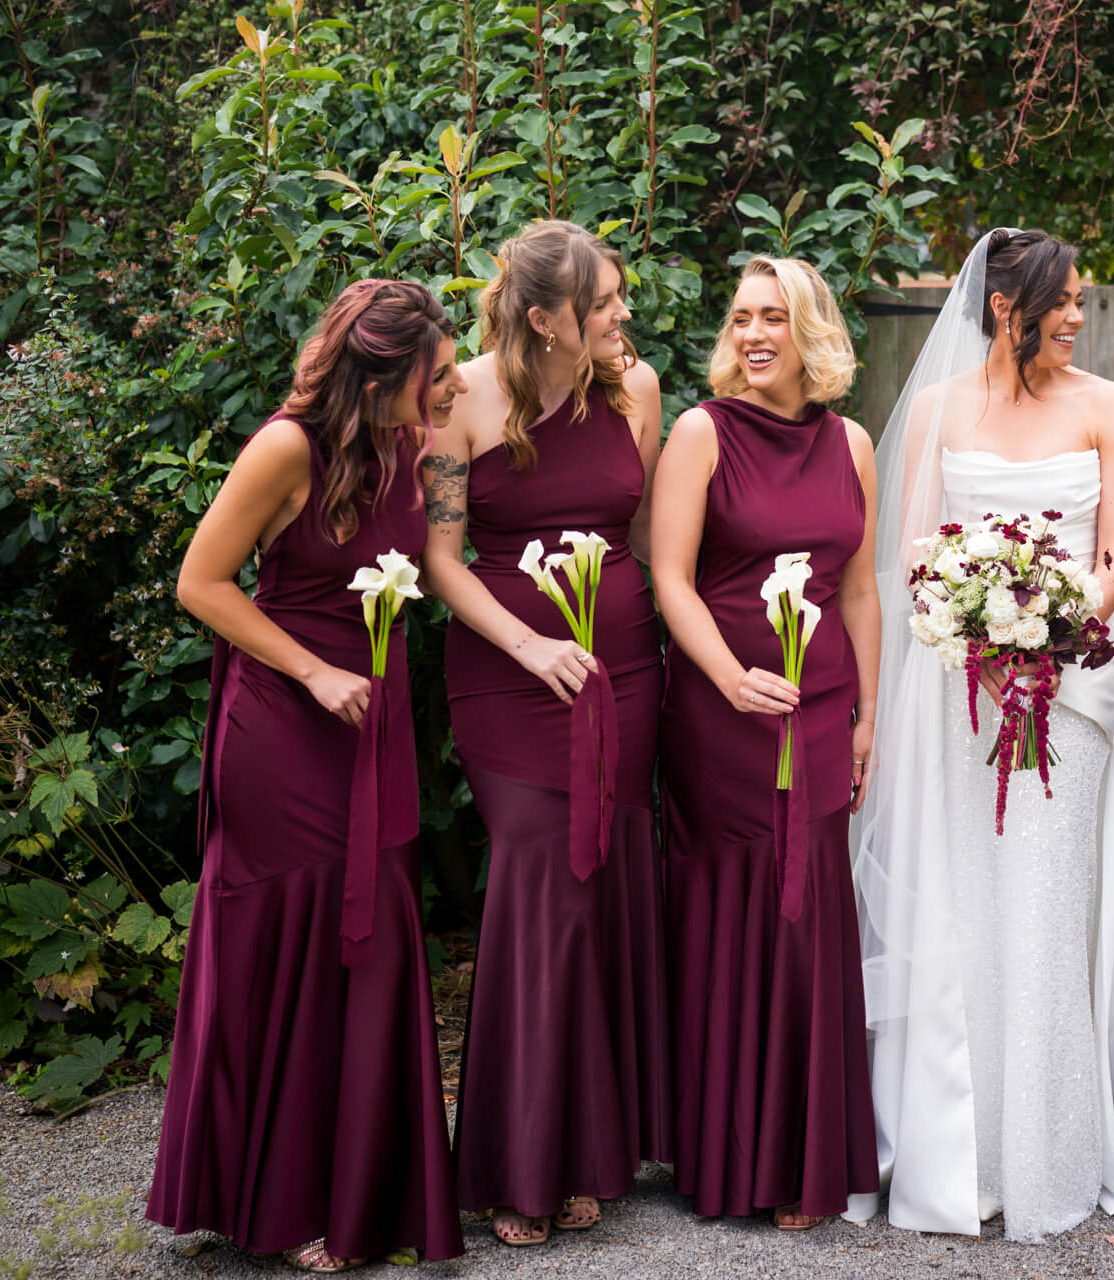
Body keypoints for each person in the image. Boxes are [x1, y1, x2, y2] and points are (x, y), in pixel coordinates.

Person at [848, 228, 1114, 1243]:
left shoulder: (1109, 406)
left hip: (1074, 686)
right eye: (1064, 301)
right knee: (965, 904)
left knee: (1045, 906)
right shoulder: (940, 407)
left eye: (1081, 300)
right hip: (962, 689)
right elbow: (915, 553)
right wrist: (979, 638)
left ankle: (1048, 1153)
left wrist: (1049, 633)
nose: (1078, 316)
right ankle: (965, 1150)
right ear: (1006, 308)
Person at [147, 279, 466, 1273]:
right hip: (286, 721)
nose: (453, 387)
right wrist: (315, 670)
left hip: (374, 720)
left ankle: (362, 1191)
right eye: (439, 373)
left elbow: (452, 544)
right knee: (295, 934)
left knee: (375, 933)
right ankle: (276, 1200)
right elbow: (200, 581)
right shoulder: (287, 448)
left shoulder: (420, 447)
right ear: (382, 378)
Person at [420, 221, 669, 1246]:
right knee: (540, 878)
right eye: (602, 302)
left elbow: (645, 539)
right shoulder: (462, 401)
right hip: (507, 681)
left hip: (624, 674)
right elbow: (440, 559)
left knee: (603, 882)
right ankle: (518, 1161)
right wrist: (528, 645)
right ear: (544, 317)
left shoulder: (637, 390)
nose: (621, 315)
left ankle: (590, 1151)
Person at [649, 256, 880, 1230]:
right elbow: (670, 578)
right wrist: (728, 676)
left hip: (822, 708)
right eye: (741, 317)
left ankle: (801, 1158)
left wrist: (868, 715)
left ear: (810, 332)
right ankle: (724, 1155)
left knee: (808, 911)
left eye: (773, 318)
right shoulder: (700, 433)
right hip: (722, 712)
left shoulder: (852, 443)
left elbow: (859, 589)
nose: (751, 334)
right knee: (733, 904)